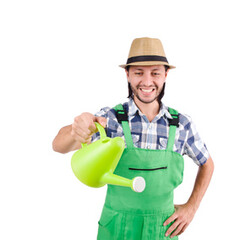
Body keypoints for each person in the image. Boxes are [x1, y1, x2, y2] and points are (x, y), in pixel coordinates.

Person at [52, 37, 215, 239]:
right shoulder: (109, 120)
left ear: (166, 74)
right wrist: (76, 130)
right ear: (127, 74)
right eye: (139, 73)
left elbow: (207, 164)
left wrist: (191, 208)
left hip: (162, 229)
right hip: (117, 228)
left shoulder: (181, 124)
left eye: (155, 73)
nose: (147, 82)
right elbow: (58, 145)